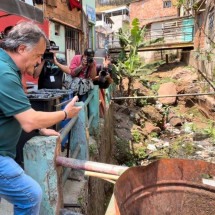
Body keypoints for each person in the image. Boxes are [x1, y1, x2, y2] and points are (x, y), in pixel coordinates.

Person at [0, 21, 82, 215]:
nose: (38, 62)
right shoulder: (4, 72)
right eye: (37, 55)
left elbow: (13, 111)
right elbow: (28, 120)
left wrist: (40, 129)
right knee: (30, 195)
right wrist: (64, 114)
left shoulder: (8, 67)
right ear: (21, 48)